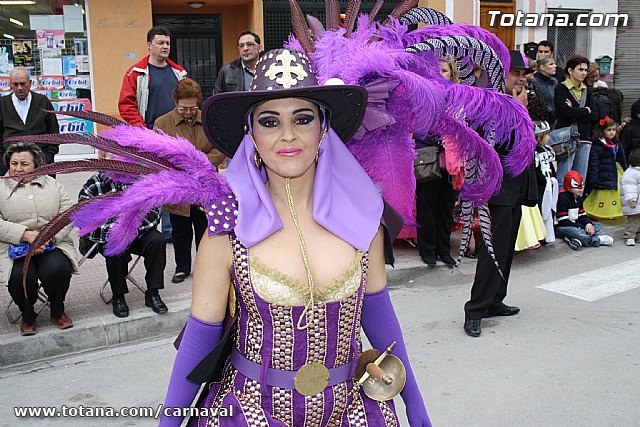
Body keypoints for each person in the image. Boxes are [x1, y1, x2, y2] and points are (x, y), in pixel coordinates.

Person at [160, 48, 431, 426]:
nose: (287, 136)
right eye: (269, 122)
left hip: (351, 411)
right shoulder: (227, 227)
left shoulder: (363, 217)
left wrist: (414, 402)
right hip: (251, 412)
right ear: (251, 132)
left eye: (302, 119)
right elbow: (200, 337)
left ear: (323, 126)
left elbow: (380, 317)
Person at [463, 51, 538, 338]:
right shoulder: (489, 103)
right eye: (515, 74)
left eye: (523, 74)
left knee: (506, 250)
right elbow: (495, 143)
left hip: (517, 186)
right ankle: (475, 310)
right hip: (497, 188)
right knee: (492, 251)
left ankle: (495, 300)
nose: (520, 79)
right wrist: (519, 111)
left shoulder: (519, 100)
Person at [0, 142, 78, 335]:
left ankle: (57, 310)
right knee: (20, 276)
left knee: (58, 269)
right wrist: (24, 234)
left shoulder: (52, 184)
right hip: (14, 246)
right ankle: (27, 315)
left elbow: (68, 214)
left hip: (51, 243)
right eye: (14, 163)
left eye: (24, 164)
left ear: (36, 165)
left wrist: (47, 237)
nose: (18, 168)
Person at [118, 26, 187, 241]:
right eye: (160, 43)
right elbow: (126, 105)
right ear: (149, 45)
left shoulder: (179, 73)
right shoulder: (136, 73)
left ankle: (169, 231)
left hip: (175, 139)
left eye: (167, 43)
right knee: (151, 184)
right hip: (149, 140)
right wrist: (143, 131)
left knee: (172, 183)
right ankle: (147, 229)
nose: (165, 46)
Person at [154, 78, 226, 283]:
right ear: (176, 102)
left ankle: (205, 267)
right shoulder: (162, 123)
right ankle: (182, 268)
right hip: (178, 186)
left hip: (205, 184)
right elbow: (156, 154)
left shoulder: (209, 119)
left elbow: (220, 147)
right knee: (180, 230)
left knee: (205, 228)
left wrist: (200, 163)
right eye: (184, 108)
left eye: (192, 108)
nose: (188, 112)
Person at [78, 172, 168, 318]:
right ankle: (118, 296)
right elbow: (85, 218)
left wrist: (130, 228)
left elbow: (154, 211)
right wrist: (117, 231)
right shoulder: (94, 183)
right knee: (116, 247)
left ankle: (153, 293)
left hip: (137, 232)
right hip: (109, 235)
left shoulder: (140, 180)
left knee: (157, 240)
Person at [415, 57, 460, 267]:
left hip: (452, 159)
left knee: (446, 208)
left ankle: (444, 250)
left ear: (452, 74)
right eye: (437, 70)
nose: (440, 74)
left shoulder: (458, 97)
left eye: (444, 70)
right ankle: (427, 250)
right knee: (427, 207)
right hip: (429, 157)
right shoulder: (422, 96)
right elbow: (418, 128)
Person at [0, 67, 59, 175]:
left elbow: (54, 131)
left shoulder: (42, 101)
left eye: (23, 84)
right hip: (10, 161)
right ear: (10, 84)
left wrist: (49, 155)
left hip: (41, 159)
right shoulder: (2, 104)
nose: (19, 88)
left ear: (30, 83)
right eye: (15, 84)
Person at [553, 55, 597, 190]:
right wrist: (585, 110)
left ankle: (577, 202)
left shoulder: (587, 90)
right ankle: (561, 202)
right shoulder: (561, 88)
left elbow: (594, 115)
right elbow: (564, 112)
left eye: (585, 70)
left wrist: (575, 111)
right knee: (564, 175)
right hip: (567, 137)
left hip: (584, 136)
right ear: (570, 70)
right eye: (580, 69)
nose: (583, 73)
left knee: (580, 177)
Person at [556, 170, 614, 249]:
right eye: (577, 187)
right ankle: (596, 240)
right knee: (576, 232)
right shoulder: (563, 198)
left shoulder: (578, 198)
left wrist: (588, 224)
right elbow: (563, 221)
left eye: (581, 186)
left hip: (576, 224)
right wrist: (582, 227)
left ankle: (573, 239)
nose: (580, 189)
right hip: (563, 227)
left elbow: (582, 215)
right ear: (568, 186)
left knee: (598, 226)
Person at [583, 116, 627, 220]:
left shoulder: (616, 143)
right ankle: (598, 213)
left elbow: (622, 158)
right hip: (603, 173)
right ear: (602, 131)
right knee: (603, 194)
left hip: (616, 171)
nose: (612, 132)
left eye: (614, 130)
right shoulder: (597, 146)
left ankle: (614, 212)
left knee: (616, 192)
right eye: (609, 130)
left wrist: (626, 170)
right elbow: (594, 164)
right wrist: (593, 179)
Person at [213, 30, 261, 95]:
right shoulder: (227, 71)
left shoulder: (268, 68)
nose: (245, 49)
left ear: (259, 48)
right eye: (241, 46)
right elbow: (216, 97)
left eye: (249, 44)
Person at [533, 121, 558, 243]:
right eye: (547, 135)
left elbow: (552, 167)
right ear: (539, 137)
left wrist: (553, 178)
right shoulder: (534, 153)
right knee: (541, 208)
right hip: (541, 186)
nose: (549, 137)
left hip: (549, 183)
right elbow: (535, 170)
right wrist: (544, 181)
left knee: (550, 208)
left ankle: (549, 233)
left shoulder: (548, 150)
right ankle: (540, 235)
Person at [620, 148, 640, 246]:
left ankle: (638, 236)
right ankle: (629, 236)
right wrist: (632, 200)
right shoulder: (630, 174)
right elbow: (629, 189)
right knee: (633, 221)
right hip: (634, 203)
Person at [532, 56, 558, 126]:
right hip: (542, 120)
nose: (555, 66)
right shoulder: (534, 82)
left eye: (554, 64)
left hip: (555, 119)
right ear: (542, 67)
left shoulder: (554, 81)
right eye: (551, 64)